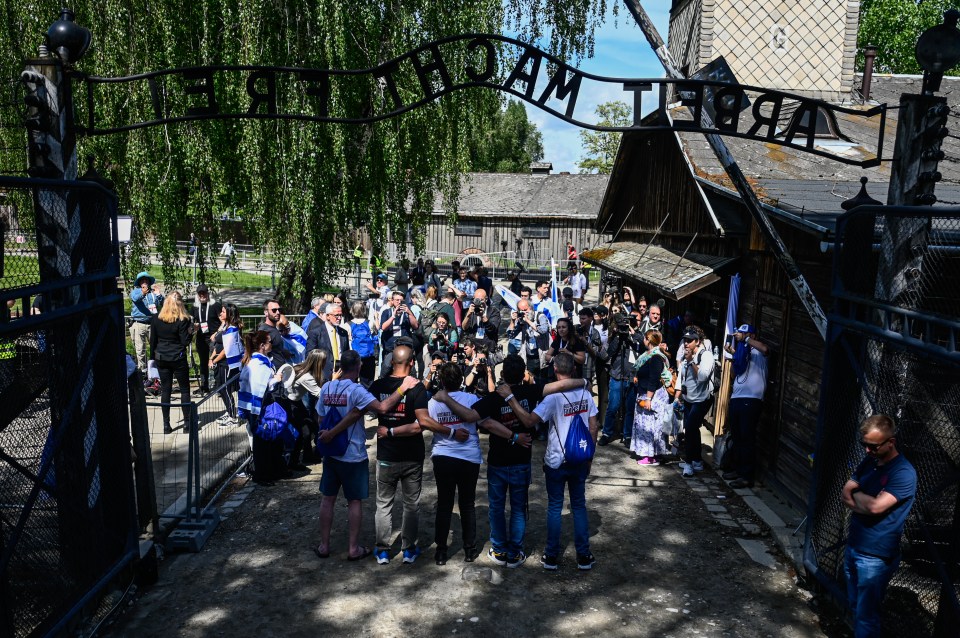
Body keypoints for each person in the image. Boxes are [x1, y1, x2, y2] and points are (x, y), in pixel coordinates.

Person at [439, 354, 588, 568]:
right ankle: (515, 552)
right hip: (521, 459)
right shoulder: (531, 390)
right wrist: (584, 381)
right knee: (518, 507)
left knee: (497, 507)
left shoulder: (494, 397)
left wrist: (446, 399)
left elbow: (469, 416)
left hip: (498, 460)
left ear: (502, 374)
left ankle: (499, 550)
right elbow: (561, 384)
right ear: (523, 374)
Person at [314, 350, 418, 561]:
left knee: (327, 499)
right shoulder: (357, 391)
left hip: (331, 453)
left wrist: (329, 434)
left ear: (340, 366)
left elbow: (320, 417)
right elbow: (382, 407)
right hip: (353, 455)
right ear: (359, 366)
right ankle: (353, 548)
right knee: (354, 501)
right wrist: (403, 388)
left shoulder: (326, 387)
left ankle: (324, 545)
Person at [502, 352, 599, 571]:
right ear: (573, 370)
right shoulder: (585, 394)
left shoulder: (552, 398)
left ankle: (552, 556)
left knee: (555, 507)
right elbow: (593, 426)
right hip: (580, 458)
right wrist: (590, 456)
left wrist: (510, 398)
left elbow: (528, 420)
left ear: (555, 370)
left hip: (557, 459)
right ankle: (584, 555)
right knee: (579, 505)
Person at [841, 415, 917, 638]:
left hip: (875, 556)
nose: (867, 451)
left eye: (873, 446)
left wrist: (859, 497)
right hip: (854, 545)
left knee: (867, 616)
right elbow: (846, 493)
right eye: (864, 445)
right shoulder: (870, 462)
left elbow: (875, 507)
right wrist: (863, 499)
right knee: (856, 607)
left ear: (890, 443)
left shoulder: (903, 473)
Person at [369, 345, 430, 565]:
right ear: (412, 362)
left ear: (391, 362)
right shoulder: (417, 387)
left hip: (387, 454)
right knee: (411, 504)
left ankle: (383, 550)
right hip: (412, 454)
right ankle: (409, 549)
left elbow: (370, 410)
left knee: (383, 504)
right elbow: (420, 425)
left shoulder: (378, 386)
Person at [425, 363, 485, 565]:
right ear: (461, 379)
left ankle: (441, 552)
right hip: (469, 456)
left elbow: (430, 425)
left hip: (443, 455)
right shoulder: (471, 399)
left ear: (441, 381)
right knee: (467, 504)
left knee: (444, 503)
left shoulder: (433, 402)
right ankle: (470, 550)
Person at [722, 324, 769, 488]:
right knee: (736, 436)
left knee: (747, 437)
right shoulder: (742, 351)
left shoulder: (758, 351)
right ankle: (737, 468)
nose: (740, 337)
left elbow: (765, 348)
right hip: (737, 397)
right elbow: (738, 373)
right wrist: (735, 355)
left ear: (752, 335)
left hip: (752, 398)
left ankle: (746, 475)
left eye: (743, 334)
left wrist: (746, 340)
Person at [238, 330, 285, 485]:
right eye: (269, 342)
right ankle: (261, 475)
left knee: (268, 439)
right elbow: (261, 387)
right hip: (257, 408)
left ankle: (271, 471)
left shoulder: (261, 361)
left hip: (259, 406)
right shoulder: (257, 364)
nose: (272, 344)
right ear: (262, 345)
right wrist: (275, 380)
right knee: (261, 442)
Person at [150, 295, 193, 434]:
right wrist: (192, 332)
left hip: (161, 357)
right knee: (185, 390)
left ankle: (166, 424)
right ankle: (187, 423)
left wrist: (152, 358)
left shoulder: (156, 318)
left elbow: (153, 341)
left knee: (166, 390)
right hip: (177, 358)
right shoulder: (183, 320)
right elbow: (185, 341)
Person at [677, 327, 715, 478]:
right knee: (692, 429)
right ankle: (697, 461)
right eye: (685, 340)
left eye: (689, 341)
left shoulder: (706, 356)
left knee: (691, 427)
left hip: (701, 399)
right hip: (688, 399)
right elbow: (682, 377)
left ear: (697, 342)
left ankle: (688, 463)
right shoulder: (686, 355)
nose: (686, 344)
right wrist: (678, 396)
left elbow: (703, 377)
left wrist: (691, 361)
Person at [631, 330, 671, 466]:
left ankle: (651, 456)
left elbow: (653, 379)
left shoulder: (655, 357)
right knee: (646, 425)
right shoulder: (646, 356)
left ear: (648, 339)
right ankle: (653, 454)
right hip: (645, 392)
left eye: (644, 338)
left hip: (653, 396)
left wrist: (648, 398)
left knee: (650, 426)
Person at [209, 303, 243, 426]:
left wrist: (214, 360)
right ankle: (230, 412)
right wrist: (211, 357)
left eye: (223, 312)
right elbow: (215, 341)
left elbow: (226, 349)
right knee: (222, 388)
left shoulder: (232, 330)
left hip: (226, 363)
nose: (221, 314)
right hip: (220, 362)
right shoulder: (225, 327)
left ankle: (233, 416)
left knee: (225, 389)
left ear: (229, 314)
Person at [129, 271, 163, 378]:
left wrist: (159, 294)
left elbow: (161, 303)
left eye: (146, 280)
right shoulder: (135, 292)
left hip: (152, 323)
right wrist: (143, 293)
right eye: (142, 280)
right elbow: (135, 299)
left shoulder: (152, 293)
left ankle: (155, 374)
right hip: (139, 323)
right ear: (139, 283)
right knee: (140, 350)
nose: (145, 282)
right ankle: (142, 374)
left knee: (155, 348)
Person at [190, 284, 222, 396]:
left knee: (215, 361)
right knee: (203, 363)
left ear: (208, 294)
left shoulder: (215, 305)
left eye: (204, 293)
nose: (202, 295)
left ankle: (219, 386)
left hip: (213, 338)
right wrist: (194, 327)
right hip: (201, 338)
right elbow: (191, 322)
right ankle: (204, 386)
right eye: (200, 293)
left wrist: (217, 333)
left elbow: (223, 321)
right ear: (197, 295)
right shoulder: (195, 307)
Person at [306, 302, 349, 379]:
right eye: (336, 315)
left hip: (341, 375)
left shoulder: (343, 333)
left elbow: (346, 352)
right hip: (323, 376)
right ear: (328, 316)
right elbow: (310, 356)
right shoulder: (316, 333)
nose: (339, 318)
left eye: (340, 315)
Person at [379, 291, 418, 366]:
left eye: (401, 300)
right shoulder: (387, 312)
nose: (399, 302)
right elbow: (383, 327)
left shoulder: (407, 312)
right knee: (387, 369)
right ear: (392, 301)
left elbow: (415, 326)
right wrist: (393, 316)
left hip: (405, 348)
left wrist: (409, 313)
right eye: (397, 300)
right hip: (390, 349)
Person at [348, 299, 378, 386]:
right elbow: (376, 332)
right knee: (368, 382)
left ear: (352, 310)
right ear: (364, 310)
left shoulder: (347, 325)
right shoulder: (370, 323)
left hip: (354, 357)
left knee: (352, 381)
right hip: (368, 356)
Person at [258, 299, 289, 368]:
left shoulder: (275, 328)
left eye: (279, 310)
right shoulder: (264, 331)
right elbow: (260, 354)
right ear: (266, 312)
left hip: (281, 370)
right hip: (273, 373)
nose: (278, 312)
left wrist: (283, 352)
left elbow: (275, 348)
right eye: (274, 310)